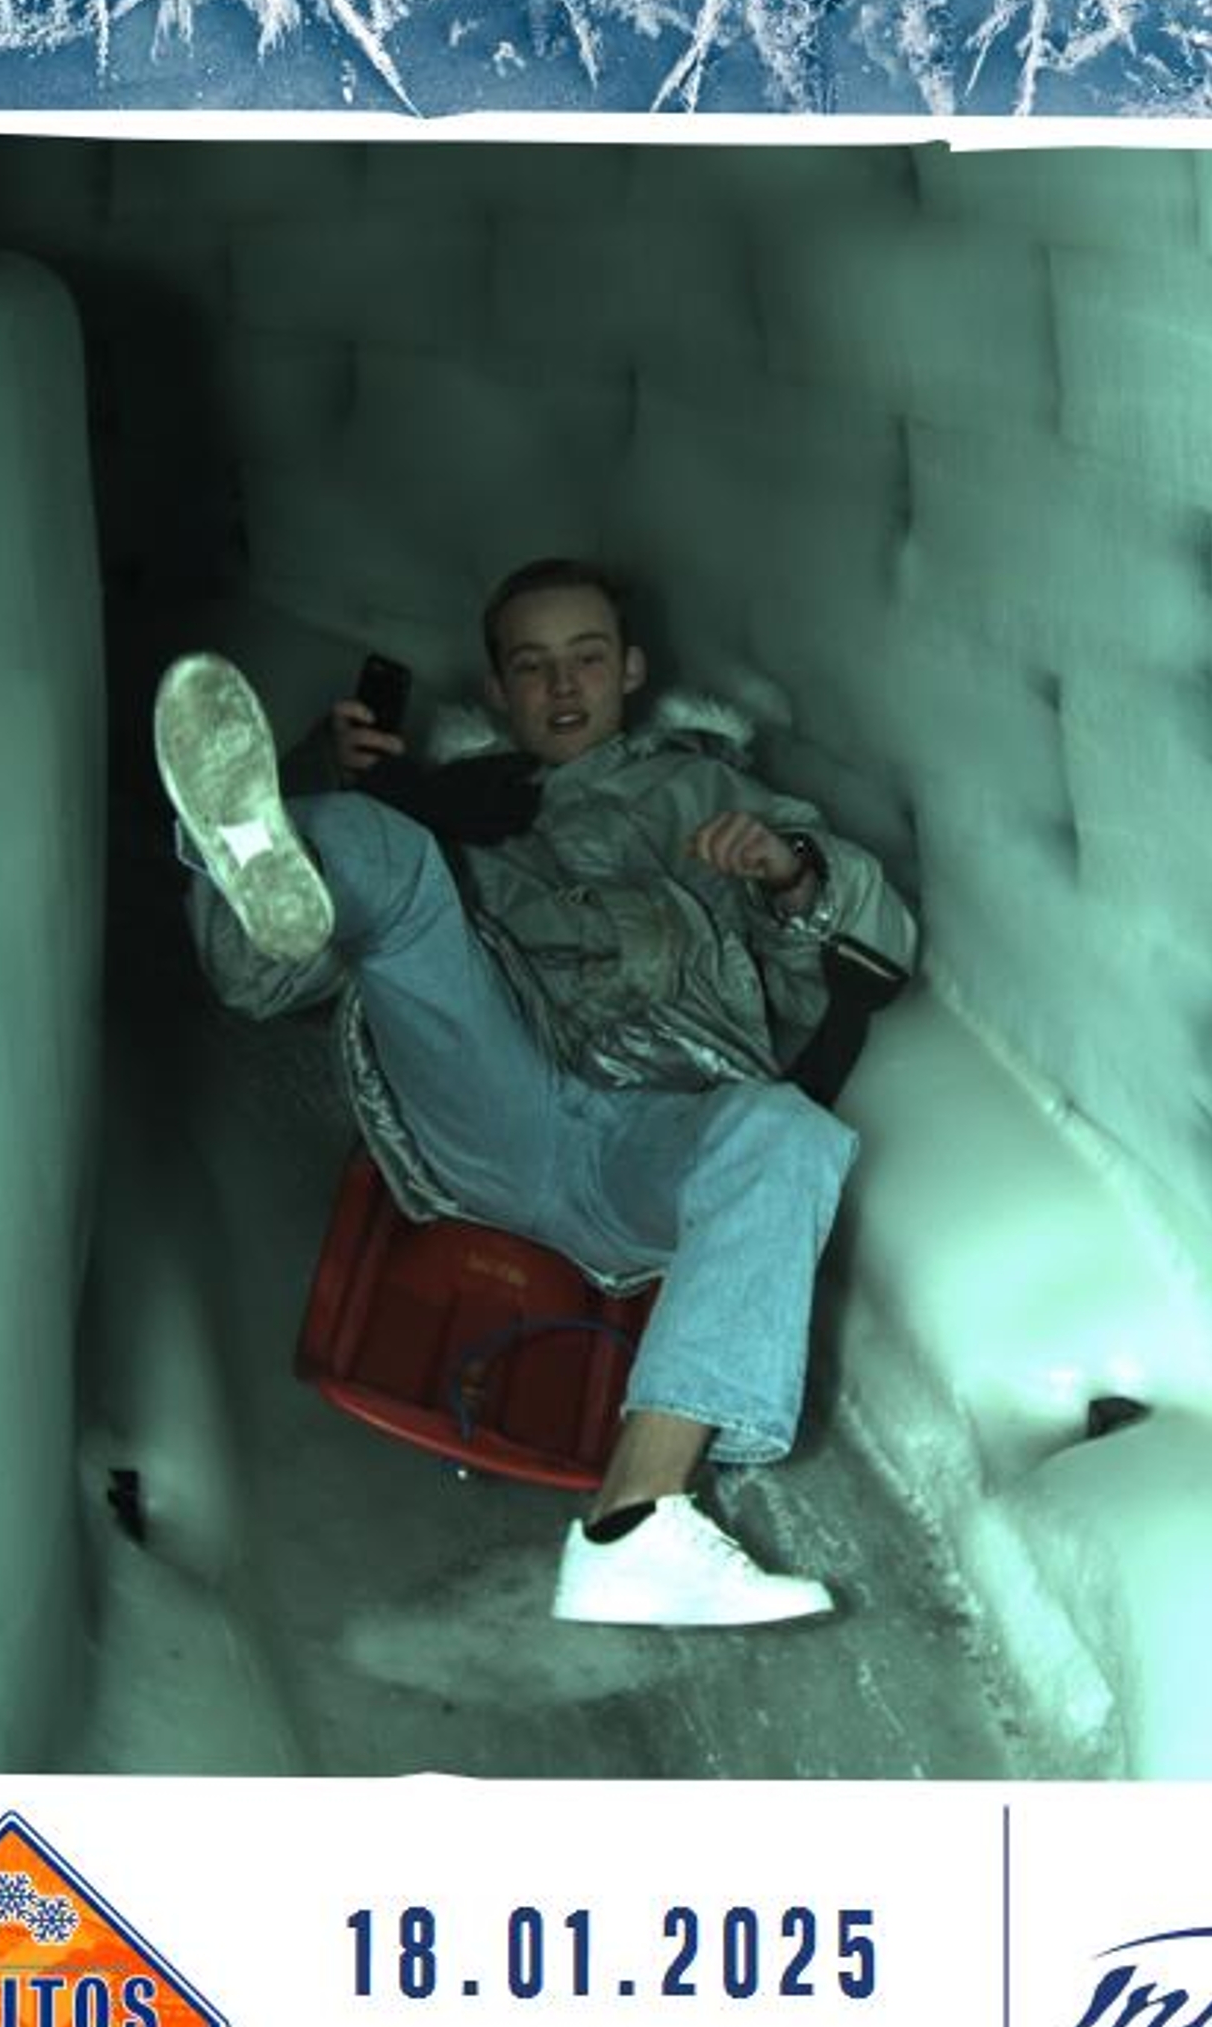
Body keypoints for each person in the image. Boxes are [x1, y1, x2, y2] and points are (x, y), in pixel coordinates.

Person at [153, 559, 918, 1628]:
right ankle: (250, 839)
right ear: (498, 687)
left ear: (631, 669)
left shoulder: (710, 794)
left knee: (786, 1134)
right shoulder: (447, 803)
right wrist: (336, 782)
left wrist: (790, 871)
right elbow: (254, 985)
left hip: (649, 1131)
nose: (562, 687)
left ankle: (634, 1525)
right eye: (532, 665)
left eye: (586, 659)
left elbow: (876, 946)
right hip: (494, 1101)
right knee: (392, 860)